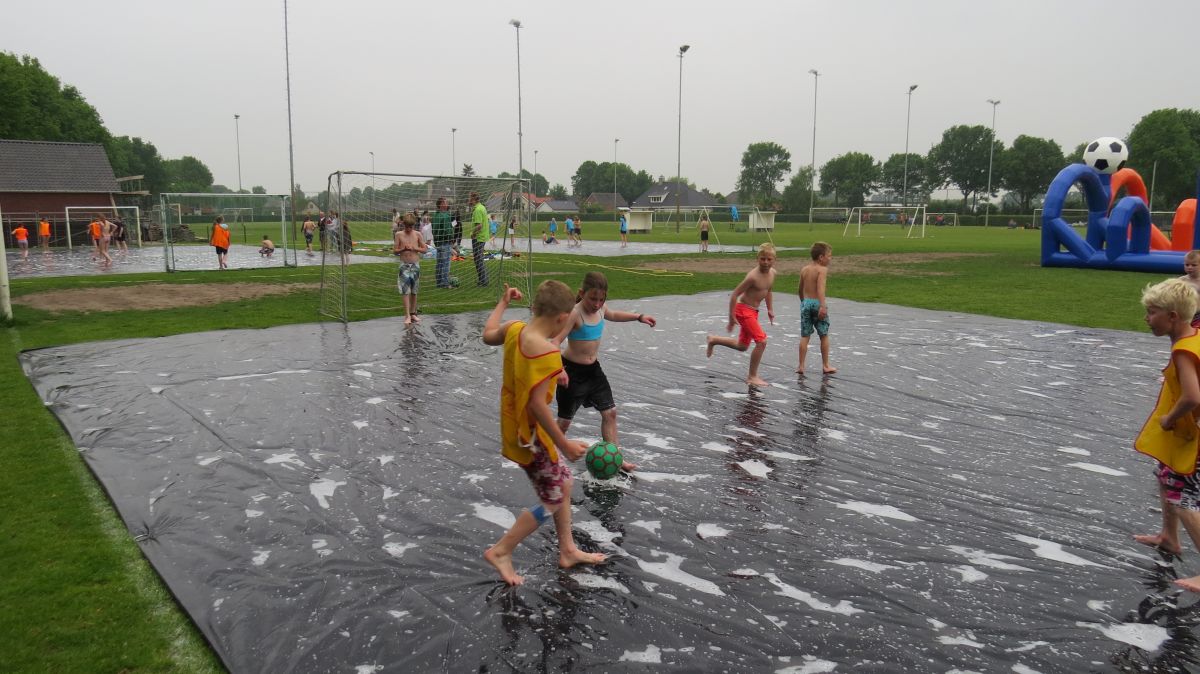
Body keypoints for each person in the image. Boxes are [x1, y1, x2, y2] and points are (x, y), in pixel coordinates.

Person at [480, 280, 606, 586]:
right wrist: (563, 442)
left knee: (564, 480)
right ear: (563, 318)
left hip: (513, 425)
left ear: (535, 308)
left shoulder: (514, 328)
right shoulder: (548, 352)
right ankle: (502, 550)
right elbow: (538, 405)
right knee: (554, 495)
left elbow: (487, 335)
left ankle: (568, 549)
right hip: (531, 435)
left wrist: (503, 302)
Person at [1133, 277, 1200, 592]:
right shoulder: (1194, 337)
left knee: (1184, 499)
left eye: (1152, 312)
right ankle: (1170, 538)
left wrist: (1169, 419)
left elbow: (1192, 397)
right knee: (1165, 476)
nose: (1147, 318)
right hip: (1188, 435)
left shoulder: (1183, 352)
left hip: (1193, 436)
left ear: (1173, 316)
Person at [553, 271, 655, 472]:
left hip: (593, 372)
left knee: (610, 413)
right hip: (571, 373)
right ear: (582, 293)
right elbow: (555, 342)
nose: (597, 304)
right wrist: (558, 370)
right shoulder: (575, 313)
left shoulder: (600, 309)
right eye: (593, 299)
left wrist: (639, 317)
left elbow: (614, 315)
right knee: (564, 423)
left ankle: (615, 458)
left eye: (601, 299)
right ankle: (550, 456)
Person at [705, 243, 777, 387]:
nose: (766, 262)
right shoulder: (752, 277)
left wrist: (770, 309)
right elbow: (734, 295)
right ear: (757, 259)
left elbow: (768, 290)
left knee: (742, 346)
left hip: (753, 311)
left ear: (774, 260)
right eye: (763, 259)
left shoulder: (773, 273)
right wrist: (731, 317)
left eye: (769, 259)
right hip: (743, 310)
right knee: (762, 341)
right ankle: (752, 376)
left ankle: (713, 340)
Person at [798, 241, 837, 375]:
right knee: (824, 335)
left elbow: (799, 289)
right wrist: (822, 306)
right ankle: (826, 365)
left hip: (806, 303)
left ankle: (801, 366)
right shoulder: (822, 270)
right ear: (821, 257)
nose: (830, 259)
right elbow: (820, 289)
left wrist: (803, 303)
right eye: (829, 256)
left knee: (805, 335)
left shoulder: (804, 269)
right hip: (816, 303)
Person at [393, 213, 428, 325]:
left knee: (414, 291)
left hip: (415, 265)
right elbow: (395, 251)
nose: (408, 229)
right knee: (405, 291)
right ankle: (407, 315)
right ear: (403, 224)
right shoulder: (399, 234)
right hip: (404, 265)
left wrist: (414, 247)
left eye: (411, 227)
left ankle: (413, 313)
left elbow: (424, 249)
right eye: (407, 226)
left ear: (414, 225)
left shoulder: (418, 234)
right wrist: (403, 248)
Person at [432, 197, 455, 288]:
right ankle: (445, 283)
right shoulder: (445, 216)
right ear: (441, 204)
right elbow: (447, 230)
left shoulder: (435, 216)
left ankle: (439, 282)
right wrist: (452, 239)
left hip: (438, 243)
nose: (447, 203)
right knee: (446, 263)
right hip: (445, 242)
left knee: (439, 263)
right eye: (445, 202)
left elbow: (433, 230)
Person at [469, 192, 489, 286]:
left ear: (473, 199)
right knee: (479, 258)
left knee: (478, 259)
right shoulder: (482, 207)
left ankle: (483, 281)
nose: (469, 200)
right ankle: (483, 279)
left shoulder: (477, 210)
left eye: (470, 198)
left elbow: (479, 226)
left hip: (478, 237)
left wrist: (473, 233)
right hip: (483, 237)